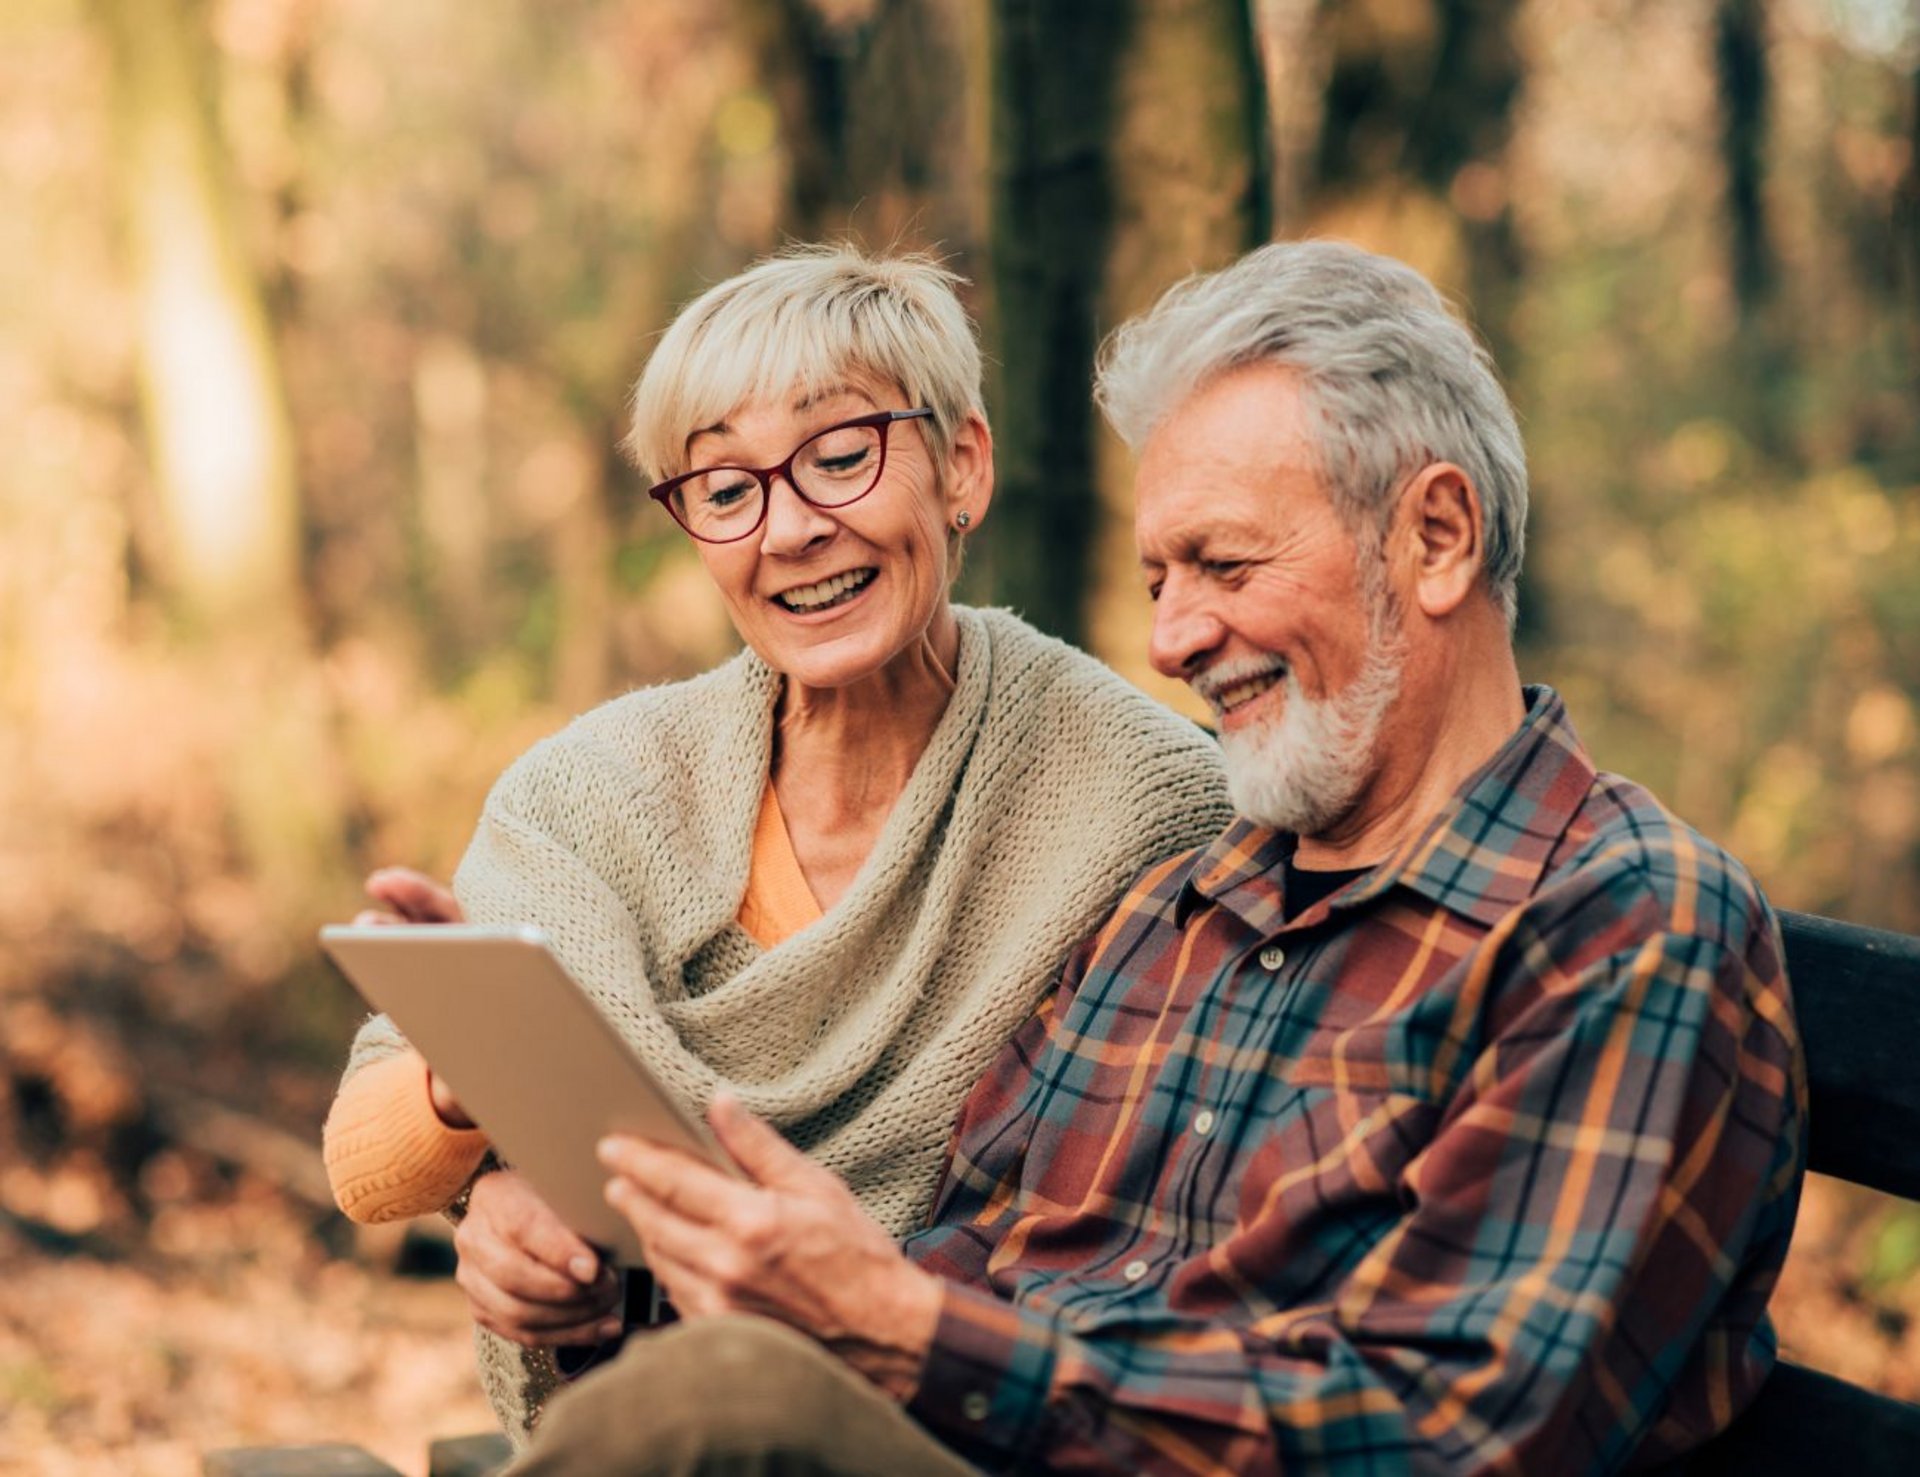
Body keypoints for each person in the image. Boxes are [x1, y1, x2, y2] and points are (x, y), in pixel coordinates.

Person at [499, 240, 1807, 1477]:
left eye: (1225, 565)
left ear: (1437, 538)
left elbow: (1446, 1438)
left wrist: (899, 1331)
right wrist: (618, 1285)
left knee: (720, 1412)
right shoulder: (1192, 899)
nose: (1175, 639)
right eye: (1159, 579)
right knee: (689, 1394)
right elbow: (969, 1249)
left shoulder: (1618, 924)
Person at [320, 245, 1234, 1447]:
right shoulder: (592, 791)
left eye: (841, 457)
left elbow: (1151, 1220)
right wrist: (488, 1129)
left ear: (964, 464)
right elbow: (366, 1162)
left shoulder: (1145, 798)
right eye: (725, 488)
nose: (791, 529)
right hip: (646, 1424)